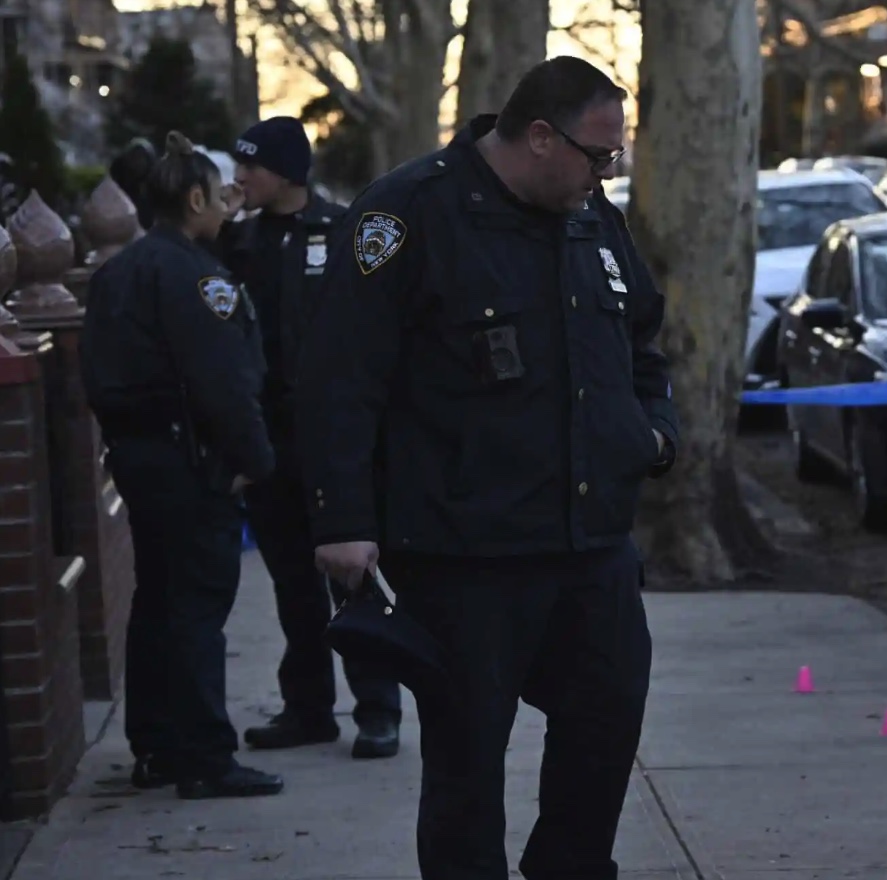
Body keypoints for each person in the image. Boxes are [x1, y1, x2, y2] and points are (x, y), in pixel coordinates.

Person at [295, 56, 679, 879]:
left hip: (590, 546)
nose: (607, 171)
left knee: (604, 732)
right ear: (540, 137)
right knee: (467, 768)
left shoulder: (588, 216)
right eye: (597, 154)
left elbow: (643, 343)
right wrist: (343, 520)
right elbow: (340, 377)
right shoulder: (409, 213)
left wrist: (653, 436)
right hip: (465, 556)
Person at [78, 131, 284, 800]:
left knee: (158, 601)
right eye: (218, 197)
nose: (227, 208)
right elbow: (224, 380)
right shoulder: (198, 277)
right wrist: (255, 459)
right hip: (191, 462)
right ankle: (204, 756)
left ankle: (159, 744)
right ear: (193, 198)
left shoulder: (117, 272)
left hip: (140, 460)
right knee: (196, 608)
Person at [220, 116, 403, 759]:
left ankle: (378, 708)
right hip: (268, 442)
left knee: (353, 579)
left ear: (287, 171)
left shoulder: (345, 227)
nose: (239, 177)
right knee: (291, 586)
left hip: (334, 442)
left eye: (251, 165)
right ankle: (307, 708)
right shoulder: (234, 243)